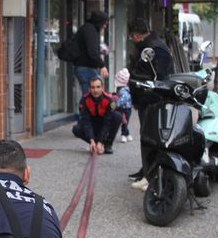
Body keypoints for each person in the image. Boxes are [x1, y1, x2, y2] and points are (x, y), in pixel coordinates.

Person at [127, 18, 174, 186]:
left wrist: (141, 89)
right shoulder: (150, 46)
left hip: (152, 100)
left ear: (137, 35)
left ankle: (150, 173)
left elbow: (158, 78)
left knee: (150, 137)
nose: (132, 39)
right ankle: (147, 169)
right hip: (146, 99)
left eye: (132, 36)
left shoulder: (155, 49)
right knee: (147, 136)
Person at [72, 76, 122, 155]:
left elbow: (107, 123)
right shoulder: (84, 101)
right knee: (76, 129)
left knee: (118, 116)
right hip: (92, 123)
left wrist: (101, 141)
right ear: (89, 89)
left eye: (98, 87)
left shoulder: (109, 100)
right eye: (93, 87)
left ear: (102, 88)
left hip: (104, 122)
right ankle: (94, 144)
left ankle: (108, 144)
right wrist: (92, 140)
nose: (95, 90)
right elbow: (86, 122)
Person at [73, 10, 109, 95]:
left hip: (83, 66)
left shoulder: (87, 29)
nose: (105, 26)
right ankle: (87, 108)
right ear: (99, 22)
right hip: (86, 67)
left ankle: (86, 107)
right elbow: (92, 52)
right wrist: (102, 65)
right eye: (104, 23)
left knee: (90, 94)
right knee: (94, 94)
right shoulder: (90, 31)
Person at [114, 68, 133, 143]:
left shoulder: (123, 90)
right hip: (126, 108)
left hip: (125, 109)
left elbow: (123, 99)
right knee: (125, 121)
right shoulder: (125, 89)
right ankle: (127, 134)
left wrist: (116, 104)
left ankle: (124, 135)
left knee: (124, 122)